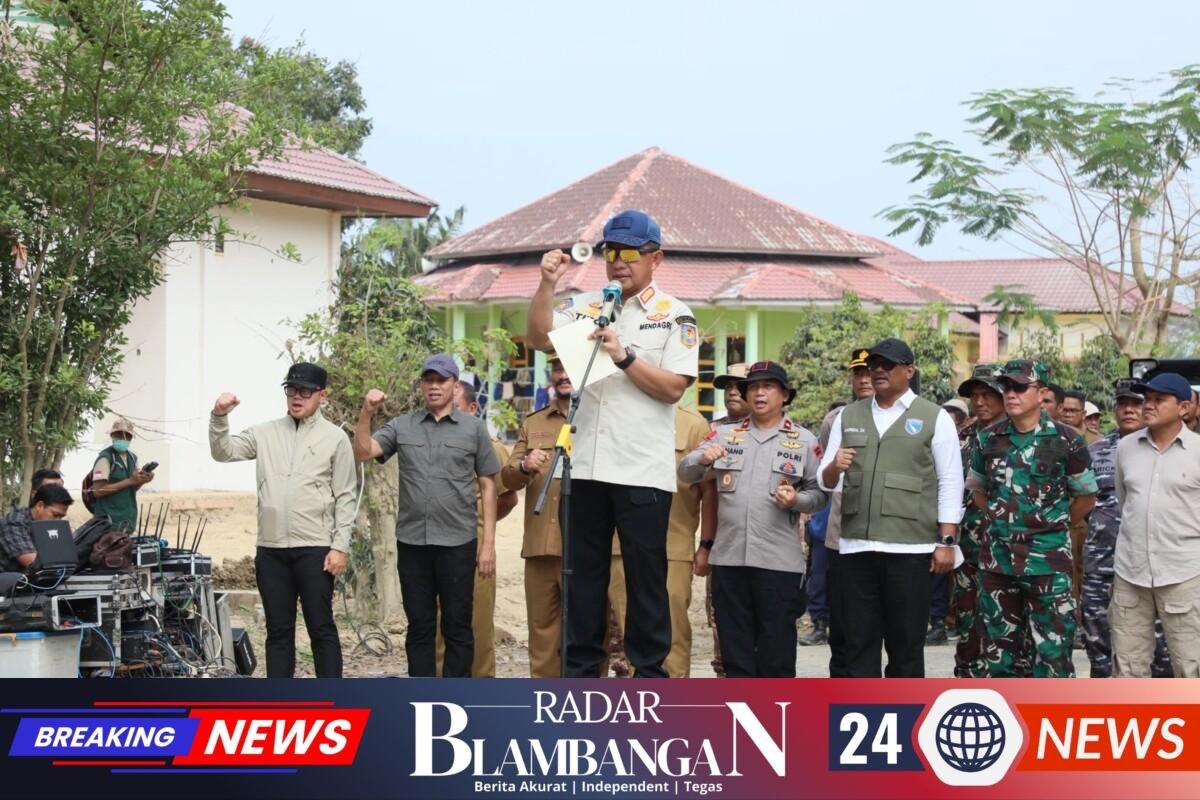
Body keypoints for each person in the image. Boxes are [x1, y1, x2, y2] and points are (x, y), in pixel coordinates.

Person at [526, 209, 699, 678]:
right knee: (582, 580)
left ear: (656, 258)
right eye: (611, 252)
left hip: (641, 470)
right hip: (584, 467)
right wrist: (546, 284)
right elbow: (538, 337)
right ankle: (582, 677)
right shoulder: (585, 305)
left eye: (630, 253)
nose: (619, 262)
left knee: (645, 581)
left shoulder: (674, 315)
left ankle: (650, 676)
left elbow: (673, 388)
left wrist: (623, 355)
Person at [818, 338, 963, 678]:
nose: (878, 371)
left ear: (909, 371)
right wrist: (835, 466)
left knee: (906, 647)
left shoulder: (934, 417)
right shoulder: (848, 416)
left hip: (910, 549)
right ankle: (863, 710)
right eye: (874, 365)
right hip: (856, 548)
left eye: (887, 365)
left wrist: (946, 541)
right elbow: (826, 482)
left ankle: (903, 711)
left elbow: (950, 481)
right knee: (858, 644)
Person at [354, 353, 501, 678]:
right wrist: (366, 412)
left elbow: (488, 485)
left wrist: (488, 545)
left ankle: (456, 697)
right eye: (428, 380)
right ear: (421, 385)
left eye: (441, 380)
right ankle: (421, 695)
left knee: (457, 626)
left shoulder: (474, 429)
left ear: (454, 385)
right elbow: (364, 452)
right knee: (419, 626)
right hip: (413, 543)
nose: (434, 386)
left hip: (458, 543)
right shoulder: (402, 425)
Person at [209, 362, 356, 678]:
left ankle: (333, 699)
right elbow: (224, 452)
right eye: (291, 390)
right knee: (278, 630)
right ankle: (280, 700)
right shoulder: (265, 433)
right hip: (271, 549)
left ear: (322, 395)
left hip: (316, 549)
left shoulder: (335, 438)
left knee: (321, 627)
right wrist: (219, 416)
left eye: (305, 391)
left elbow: (346, 495)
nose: (297, 397)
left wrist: (340, 546)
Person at [679, 361, 826, 676]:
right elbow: (686, 471)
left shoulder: (804, 440)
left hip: (778, 563)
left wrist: (796, 500)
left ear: (784, 395)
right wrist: (702, 458)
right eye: (754, 387)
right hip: (729, 559)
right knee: (735, 652)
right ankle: (741, 707)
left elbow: (819, 494)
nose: (760, 393)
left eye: (768, 387)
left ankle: (775, 707)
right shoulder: (724, 434)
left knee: (776, 654)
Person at [968, 360, 1097, 678]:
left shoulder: (1067, 440)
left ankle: (1047, 710)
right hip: (998, 564)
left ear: (1041, 393)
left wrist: (1051, 525)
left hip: (1048, 564)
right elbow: (979, 492)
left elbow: (1085, 498)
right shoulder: (987, 439)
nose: (1010, 393)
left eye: (1019, 387)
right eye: (1006, 387)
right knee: (1000, 657)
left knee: (1053, 657)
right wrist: (1003, 519)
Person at [607, 405, 715, 677]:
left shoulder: (693, 424)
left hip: (673, 546)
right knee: (631, 634)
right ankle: (643, 700)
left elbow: (709, 490)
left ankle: (674, 699)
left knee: (673, 635)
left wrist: (706, 544)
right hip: (622, 545)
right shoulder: (618, 414)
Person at [1111, 373, 1200, 677]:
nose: (1148, 405)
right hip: (1130, 572)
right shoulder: (1126, 448)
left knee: (1191, 666)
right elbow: (1126, 503)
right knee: (1127, 667)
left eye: (1159, 400)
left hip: (1185, 574)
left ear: (1184, 408)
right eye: (1146, 399)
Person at [1082, 380, 1172, 678]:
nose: (1129, 410)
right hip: (1102, 560)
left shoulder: (1165, 449)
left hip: (1151, 563)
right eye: (1122, 404)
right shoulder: (1095, 451)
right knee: (1097, 634)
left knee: (1160, 645)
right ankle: (1106, 695)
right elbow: (1082, 501)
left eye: (1136, 404)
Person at [433, 377, 519, 677]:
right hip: (435, 547)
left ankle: (480, 689)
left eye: (456, 407)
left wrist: (482, 525)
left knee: (477, 625)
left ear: (472, 409)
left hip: (476, 550)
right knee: (438, 625)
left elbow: (508, 497)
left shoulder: (490, 448)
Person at [801, 348, 875, 670]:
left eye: (869, 372)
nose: (864, 379)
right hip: (839, 521)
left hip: (884, 527)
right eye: (858, 373)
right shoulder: (836, 419)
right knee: (840, 607)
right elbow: (824, 471)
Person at [503, 356, 571, 677]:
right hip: (540, 545)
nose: (563, 375)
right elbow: (507, 477)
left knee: (587, 634)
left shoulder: (601, 419)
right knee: (542, 634)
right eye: (557, 369)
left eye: (569, 367)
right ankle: (545, 699)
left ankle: (588, 700)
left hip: (586, 547)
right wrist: (524, 465)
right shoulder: (534, 422)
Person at [950, 363, 1010, 677]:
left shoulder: (1022, 435)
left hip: (1013, 551)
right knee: (969, 621)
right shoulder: (960, 438)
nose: (980, 401)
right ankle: (968, 680)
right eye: (975, 395)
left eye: (988, 394)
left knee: (1010, 627)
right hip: (969, 550)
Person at [704, 363, 751, 677]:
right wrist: (704, 544)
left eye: (740, 386)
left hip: (767, 547)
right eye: (727, 387)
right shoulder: (712, 432)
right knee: (721, 622)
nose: (732, 392)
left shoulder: (783, 431)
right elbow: (704, 492)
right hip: (723, 544)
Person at [91, 418, 153, 532]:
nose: (123, 438)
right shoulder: (105, 458)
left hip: (127, 520)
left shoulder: (133, 458)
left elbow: (132, 488)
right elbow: (98, 491)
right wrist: (129, 481)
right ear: (112, 435)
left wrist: (142, 480)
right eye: (119, 434)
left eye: (127, 436)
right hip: (107, 523)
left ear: (131, 438)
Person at [0, 484, 74, 573]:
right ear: (40, 506)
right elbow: (33, 562)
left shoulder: (46, 525)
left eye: (61, 517)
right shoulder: (14, 522)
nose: (58, 521)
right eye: (55, 515)